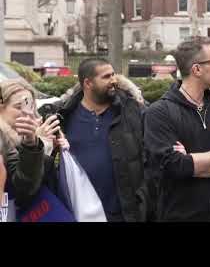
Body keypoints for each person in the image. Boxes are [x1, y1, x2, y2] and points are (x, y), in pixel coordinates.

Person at [44, 58, 153, 222]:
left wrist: (144, 198)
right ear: (88, 83)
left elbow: (150, 157)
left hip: (124, 213)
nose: (114, 80)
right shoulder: (64, 117)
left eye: (113, 74)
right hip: (79, 213)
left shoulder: (133, 111)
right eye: (106, 77)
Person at [144, 36, 210, 221]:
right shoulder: (159, 112)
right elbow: (172, 166)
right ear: (197, 69)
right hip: (177, 215)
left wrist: (190, 163)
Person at [0, 79, 60, 210]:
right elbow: (24, 188)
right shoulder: (3, 139)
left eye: (30, 106)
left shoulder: (27, 134)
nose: (27, 112)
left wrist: (52, 147)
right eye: (18, 107)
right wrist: (37, 146)